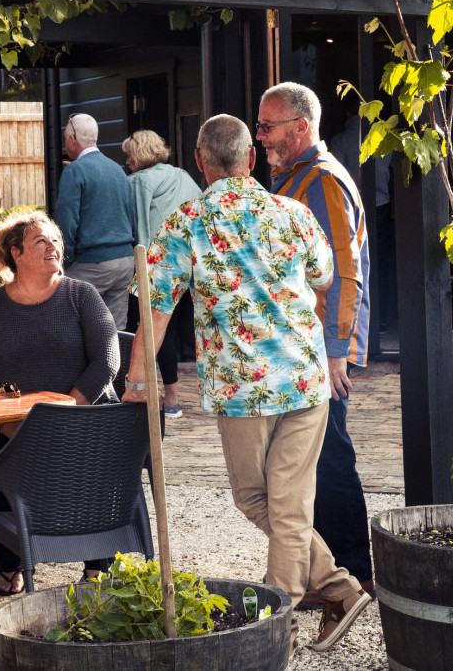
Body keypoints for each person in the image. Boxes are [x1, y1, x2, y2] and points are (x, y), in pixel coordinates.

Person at [124, 114, 371, 655]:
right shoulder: (294, 213)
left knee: (261, 500)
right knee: (283, 503)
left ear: (199, 162)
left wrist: (138, 376)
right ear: (251, 159)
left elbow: (156, 308)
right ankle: (340, 588)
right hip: (306, 382)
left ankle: (272, 637)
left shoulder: (186, 222)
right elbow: (325, 274)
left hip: (245, 389)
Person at [258, 82, 373, 602]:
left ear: (301, 126)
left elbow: (345, 277)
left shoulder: (322, 181)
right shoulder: (295, 178)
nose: (260, 136)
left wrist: (336, 354)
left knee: (329, 462)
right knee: (314, 464)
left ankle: (354, 574)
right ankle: (328, 575)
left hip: (320, 354)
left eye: (268, 126)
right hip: (305, 351)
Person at [0, 212, 120, 595]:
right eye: (41, 241)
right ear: (16, 253)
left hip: (81, 422)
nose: (54, 247)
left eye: (56, 240)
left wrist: (64, 413)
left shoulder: (81, 294)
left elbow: (108, 360)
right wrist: (5, 422)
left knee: (86, 475)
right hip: (15, 426)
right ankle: (11, 560)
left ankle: (96, 566)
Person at [122, 129, 200, 419]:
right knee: (187, 329)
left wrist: (140, 271)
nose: (127, 161)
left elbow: (140, 229)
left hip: (159, 267)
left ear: (139, 154)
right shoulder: (182, 174)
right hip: (192, 263)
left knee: (157, 330)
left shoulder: (138, 181)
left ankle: (172, 400)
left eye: (129, 155)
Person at [56, 112, 137, 328]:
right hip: (125, 261)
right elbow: (131, 216)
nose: (66, 144)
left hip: (92, 262)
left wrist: (64, 262)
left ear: (73, 139)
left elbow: (66, 223)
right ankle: (114, 363)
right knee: (115, 330)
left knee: (71, 323)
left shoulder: (74, 171)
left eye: (66, 139)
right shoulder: (118, 170)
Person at [330, 98, 397, 329]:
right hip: (381, 207)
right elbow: (392, 174)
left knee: (352, 265)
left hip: (349, 210)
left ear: (347, 111)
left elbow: (334, 179)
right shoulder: (384, 138)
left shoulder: (339, 140)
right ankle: (384, 317)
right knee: (382, 264)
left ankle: (358, 320)